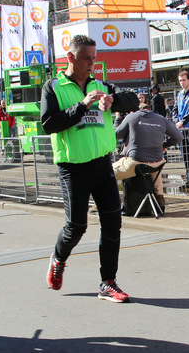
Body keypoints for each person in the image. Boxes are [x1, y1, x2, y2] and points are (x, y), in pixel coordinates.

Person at [40, 34, 138, 303]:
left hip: (102, 164)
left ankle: (108, 283)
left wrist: (112, 101)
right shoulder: (53, 87)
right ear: (70, 57)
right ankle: (59, 258)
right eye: (85, 58)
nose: (91, 63)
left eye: (94, 58)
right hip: (73, 168)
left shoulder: (100, 84)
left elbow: (133, 100)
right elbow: (49, 124)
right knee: (76, 226)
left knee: (113, 223)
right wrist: (82, 106)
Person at [113, 94, 182, 208]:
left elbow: (116, 134)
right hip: (157, 162)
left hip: (136, 162)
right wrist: (164, 145)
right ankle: (160, 199)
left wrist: (117, 119)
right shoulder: (161, 119)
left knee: (107, 174)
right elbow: (179, 136)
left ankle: (107, 204)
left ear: (134, 111)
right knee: (155, 170)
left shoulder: (132, 117)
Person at [172, 68, 189, 193]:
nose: (182, 82)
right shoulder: (180, 94)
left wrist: (183, 122)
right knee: (185, 155)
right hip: (181, 130)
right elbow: (175, 109)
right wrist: (176, 121)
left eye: (184, 80)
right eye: (180, 80)